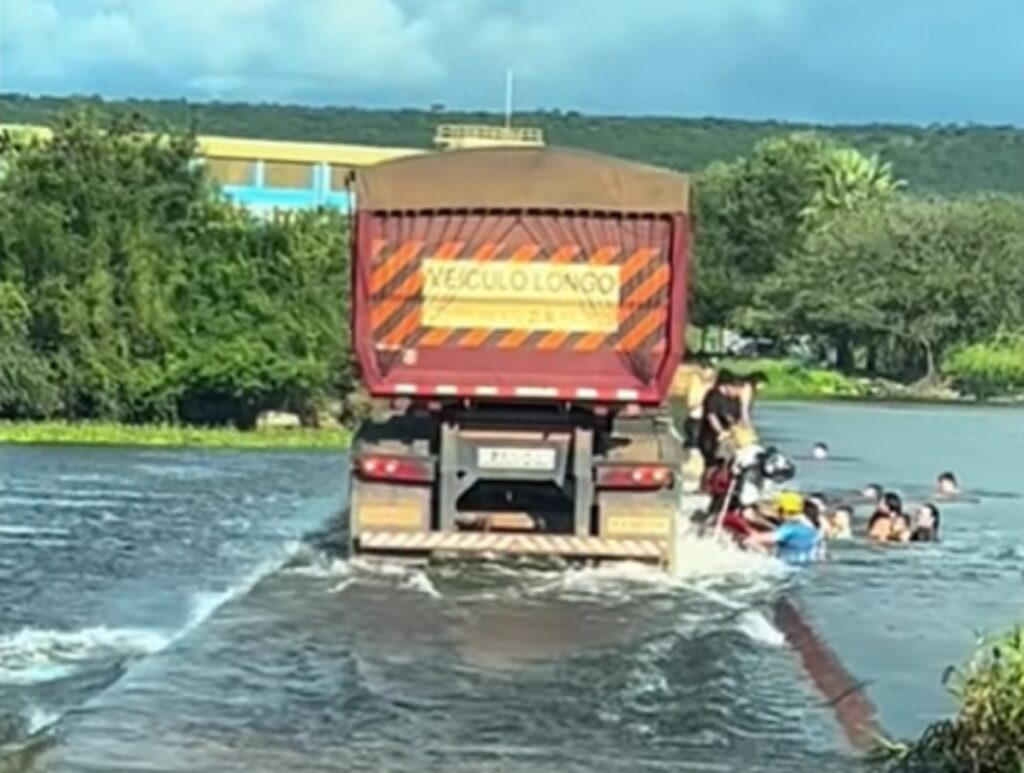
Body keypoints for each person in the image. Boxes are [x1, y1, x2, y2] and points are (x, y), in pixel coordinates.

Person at [746, 492, 823, 565]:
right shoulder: (812, 529)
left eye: (778, 511)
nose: (777, 513)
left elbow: (753, 540)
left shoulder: (791, 528)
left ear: (784, 511)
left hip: (785, 568)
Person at [697, 371, 742, 467]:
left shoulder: (735, 399)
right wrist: (721, 431)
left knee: (732, 462)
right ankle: (707, 480)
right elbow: (712, 416)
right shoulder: (713, 397)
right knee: (712, 464)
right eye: (736, 389)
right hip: (710, 436)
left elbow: (735, 417)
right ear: (727, 386)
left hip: (729, 436)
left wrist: (738, 429)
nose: (737, 393)